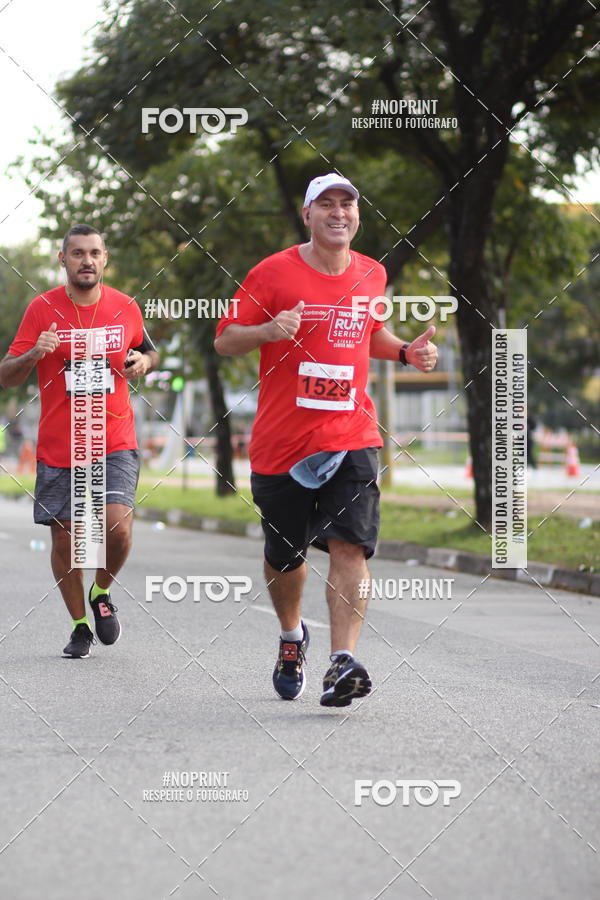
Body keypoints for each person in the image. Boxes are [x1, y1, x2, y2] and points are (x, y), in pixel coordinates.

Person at [215, 173, 438, 706]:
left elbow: (369, 334)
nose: (340, 213)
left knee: (350, 544)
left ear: (357, 215)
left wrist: (407, 352)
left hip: (351, 434)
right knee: (284, 556)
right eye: (327, 204)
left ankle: (342, 661)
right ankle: (293, 635)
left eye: (348, 204)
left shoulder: (372, 273)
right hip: (282, 445)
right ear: (308, 215)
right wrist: (269, 332)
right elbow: (225, 339)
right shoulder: (272, 273)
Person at [0, 224, 159, 659]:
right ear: (63, 259)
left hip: (114, 436)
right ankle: (79, 626)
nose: (86, 260)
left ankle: (101, 590)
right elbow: (5, 373)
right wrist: (35, 352)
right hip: (60, 443)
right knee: (66, 540)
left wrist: (143, 361)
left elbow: (147, 349)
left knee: (118, 526)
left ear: (104, 259)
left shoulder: (125, 306)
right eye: (77, 253)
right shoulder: (41, 309)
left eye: (94, 253)